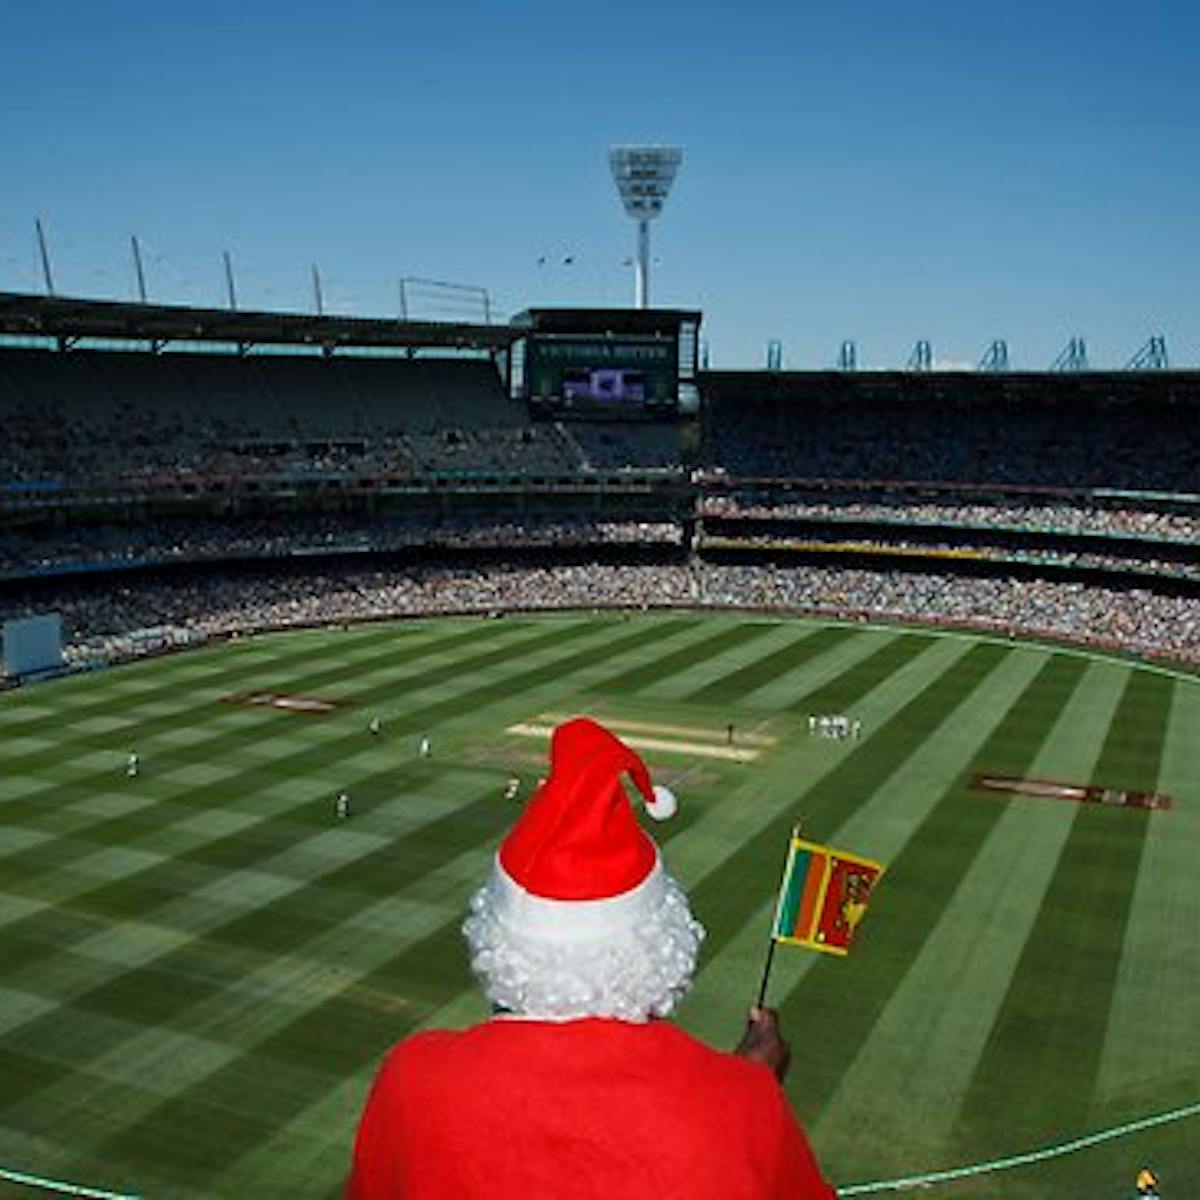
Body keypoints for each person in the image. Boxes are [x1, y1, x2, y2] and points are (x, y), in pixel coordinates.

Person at [346, 716, 835, 1200]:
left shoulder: (411, 1081)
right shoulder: (746, 1104)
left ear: (497, 934)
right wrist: (752, 1092)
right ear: (660, 938)